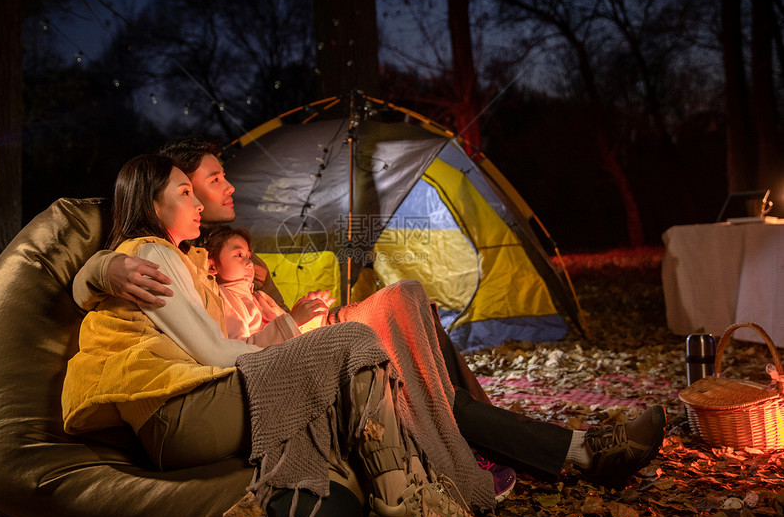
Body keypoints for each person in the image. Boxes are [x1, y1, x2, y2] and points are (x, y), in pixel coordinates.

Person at [73, 138, 666, 492]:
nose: (227, 186)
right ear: (173, 194)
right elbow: (203, 328)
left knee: (407, 301)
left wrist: (292, 311)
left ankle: (520, 442)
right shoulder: (183, 257)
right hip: (271, 361)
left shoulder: (215, 250)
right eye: (211, 179)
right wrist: (96, 271)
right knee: (402, 368)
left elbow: (255, 322)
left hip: (292, 341)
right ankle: (573, 450)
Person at [62, 153, 500, 517]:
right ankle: (404, 505)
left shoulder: (188, 259)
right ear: (151, 204)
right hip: (176, 411)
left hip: (184, 404)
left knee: (361, 338)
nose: (200, 199)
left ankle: (406, 497)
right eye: (188, 191)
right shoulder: (151, 253)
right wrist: (298, 353)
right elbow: (213, 349)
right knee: (352, 342)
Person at [203, 225, 335, 342]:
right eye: (239, 255)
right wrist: (294, 320)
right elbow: (240, 349)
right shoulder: (225, 299)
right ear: (212, 266)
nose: (250, 263)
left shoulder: (261, 297)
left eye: (249, 256)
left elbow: (292, 334)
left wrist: (313, 316)